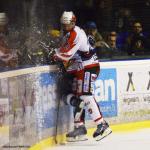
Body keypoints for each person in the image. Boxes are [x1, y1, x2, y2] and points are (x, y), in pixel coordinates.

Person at [54, 11, 112, 142]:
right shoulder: (69, 33)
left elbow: (66, 55)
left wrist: (54, 54)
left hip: (89, 67)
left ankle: (102, 124)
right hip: (80, 68)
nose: (64, 26)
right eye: (63, 24)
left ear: (73, 22)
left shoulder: (76, 34)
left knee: (85, 95)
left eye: (67, 24)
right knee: (79, 97)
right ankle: (79, 128)